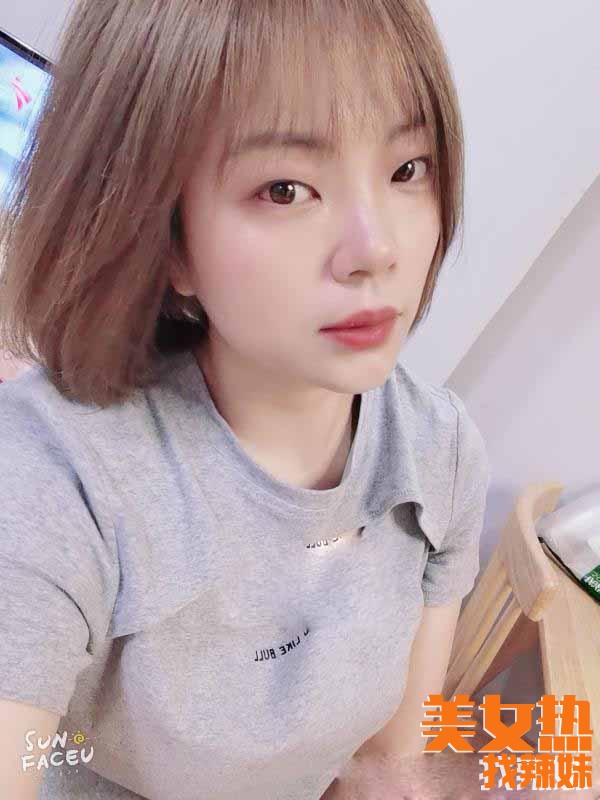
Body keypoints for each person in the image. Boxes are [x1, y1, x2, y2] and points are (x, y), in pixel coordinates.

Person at [0, 1, 491, 798]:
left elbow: (387, 766)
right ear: (167, 237)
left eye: (408, 169)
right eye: (285, 189)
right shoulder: (61, 477)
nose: (377, 249)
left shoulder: (440, 452)